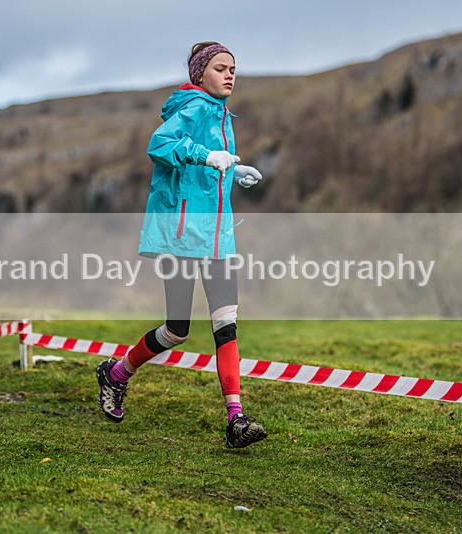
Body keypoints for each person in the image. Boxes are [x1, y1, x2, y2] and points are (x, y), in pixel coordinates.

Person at [96, 42, 267, 448]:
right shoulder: (192, 107)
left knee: (226, 326)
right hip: (182, 238)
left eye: (233, 69)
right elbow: (158, 146)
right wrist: (206, 156)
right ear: (200, 74)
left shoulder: (222, 114)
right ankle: (116, 374)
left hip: (218, 237)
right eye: (221, 68)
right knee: (176, 331)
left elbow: (201, 177)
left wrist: (232, 171)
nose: (230, 75)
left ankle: (236, 419)